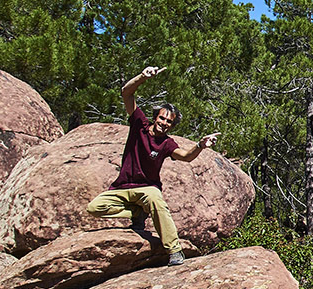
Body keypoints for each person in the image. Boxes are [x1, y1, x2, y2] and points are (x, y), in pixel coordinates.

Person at [85, 66, 220, 266]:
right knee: (94, 207)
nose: (164, 123)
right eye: (162, 118)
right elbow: (126, 93)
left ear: (172, 126)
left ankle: (174, 250)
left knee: (156, 199)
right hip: (123, 186)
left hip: (147, 189)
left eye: (169, 122)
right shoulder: (139, 124)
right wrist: (142, 77)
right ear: (155, 117)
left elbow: (185, 156)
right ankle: (138, 212)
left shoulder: (166, 143)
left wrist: (200, 146)